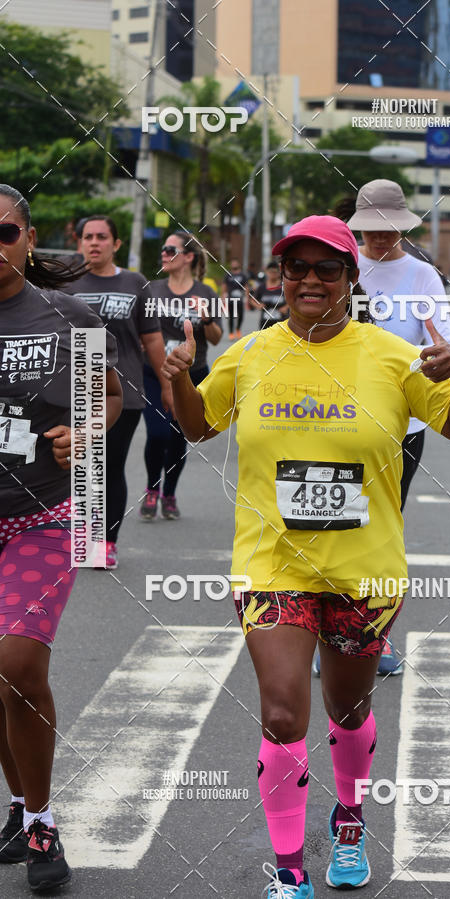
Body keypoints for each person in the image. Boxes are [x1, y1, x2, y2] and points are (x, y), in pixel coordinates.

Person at [163, 215, 450, 898]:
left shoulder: (392, 357)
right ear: (280, 278)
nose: (309, 279)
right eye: (295, 267)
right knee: (282, 713)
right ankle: (288, 872)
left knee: (347, 711)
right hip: (272, 563)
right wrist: (180, 377)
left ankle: (348, 820)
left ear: (350, 278)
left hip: (363, 569)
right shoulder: (250, 354)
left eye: (326, 268)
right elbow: (197, 424)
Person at [0, 184, 122, 890]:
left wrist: (85, 429)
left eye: (4, 232)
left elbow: (105, 394)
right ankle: (19, 806)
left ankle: (42, 821)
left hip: (42, 516)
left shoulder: (67, 314)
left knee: (17, 661)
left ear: (27, 235)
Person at [343, 178, 450, 676]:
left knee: (383, 531)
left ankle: (376, 636)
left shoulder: (422, 277)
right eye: (370, 228)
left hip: (401, 427)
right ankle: (336, 632)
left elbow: (441, 339)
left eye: (389, 229)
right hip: (335, 421)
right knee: (337, 526)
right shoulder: (341, 265)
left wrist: (435, 357)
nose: (379, 238)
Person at [63, 215, 172, 567]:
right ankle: (80, 536)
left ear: (116, 244)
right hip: (75, 392)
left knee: (110, 467)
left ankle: (107, 542)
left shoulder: (135, 282)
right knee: (79, 468)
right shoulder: (65, 283)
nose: (94, 242)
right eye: (88, 237)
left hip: (123, 392)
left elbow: (152, 338)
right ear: (79, 243)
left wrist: (167, 386)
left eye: (102, 237)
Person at [140, 232, 222, 520]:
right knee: (158, 433)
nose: (163, 254)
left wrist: (207, 318)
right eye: (162, 249)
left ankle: (170, 493)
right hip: (153, 373)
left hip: (192, 375)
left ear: (188, 257)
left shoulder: (207, 293)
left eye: (169, 250)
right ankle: (152, 489)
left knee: (178, 437)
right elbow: (141, 331)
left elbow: (216, 337)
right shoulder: (152, 289)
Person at [248, 260, 288, 329]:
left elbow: (293, 300)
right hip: (265, 322)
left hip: (281, 322)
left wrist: (286, 307)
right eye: (271, 272)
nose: (273, 274)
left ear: (279, 273)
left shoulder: (284, 286)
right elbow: (252, 300)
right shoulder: (262, 287)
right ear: (267, 272)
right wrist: (258, 306)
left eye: (275, 272)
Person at [221, 257, 249, 340]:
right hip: (231, 299)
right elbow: (224, 286)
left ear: (238, 264)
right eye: (232, 263)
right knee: (231, 317)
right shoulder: (228, 275)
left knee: (241, 316)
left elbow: (246, 287)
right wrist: (223, 297)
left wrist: (247, 298)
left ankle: (238, 329)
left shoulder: (243, 275)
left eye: (235, 263)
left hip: (240, 299)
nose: (234, 265)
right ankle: (231, 333)